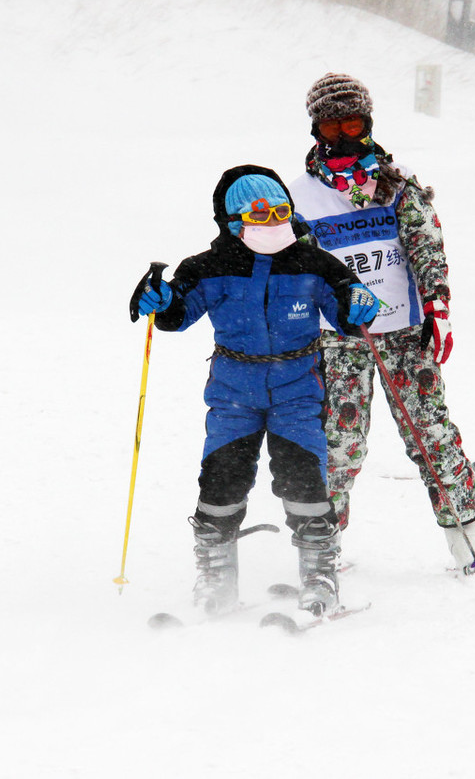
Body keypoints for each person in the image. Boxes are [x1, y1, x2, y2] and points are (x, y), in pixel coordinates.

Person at [130, 164, 379, 616]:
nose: (274, 223)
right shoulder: (207, 268)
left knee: (303, 480)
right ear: (232, 221)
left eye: (282, 211)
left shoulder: (313, 263)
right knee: (221, 481)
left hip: (297, 391)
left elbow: (349, 309)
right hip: (233, 393)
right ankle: (216, 578)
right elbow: (177, 314)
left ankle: (320, 575)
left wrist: (359, 304)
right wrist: (162, 301)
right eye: (261, 214)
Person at [287, 73, 475, 572]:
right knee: (339, 443)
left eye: (351, 123)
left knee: (430, 434)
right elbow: (294, 270)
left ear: (368, 123)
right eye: (330, 126)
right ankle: (322, 548)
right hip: (339, 338)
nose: (342, 136)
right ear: (315, 129)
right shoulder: (300, 197)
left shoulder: (399, 185)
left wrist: (437, 307)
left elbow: (425, 246)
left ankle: (470, 546)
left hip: (404, 333)